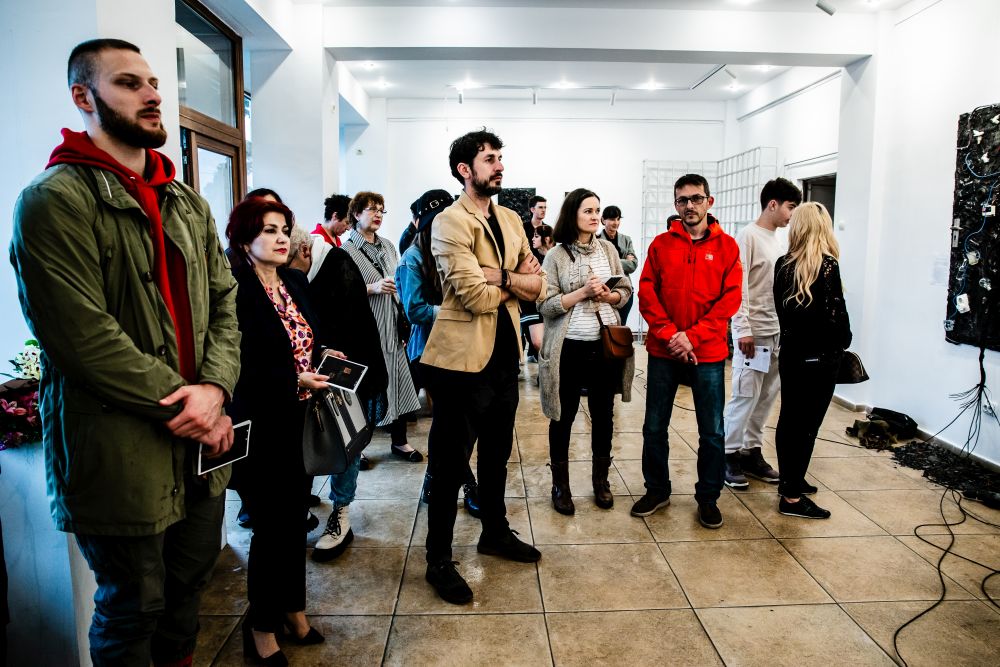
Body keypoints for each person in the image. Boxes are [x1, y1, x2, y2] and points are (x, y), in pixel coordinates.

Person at [9, 39, 241, 666]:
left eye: (153, 82)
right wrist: (190, 404)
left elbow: (226, 301)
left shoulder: (185, 201)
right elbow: (81, 337)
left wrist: (215, 389)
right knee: (133, 607)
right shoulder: (54, 199)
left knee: (189, 591)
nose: (153, 95)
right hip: (117, 445)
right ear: (83, 97)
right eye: (129, 83)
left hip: (201, 441)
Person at [421, 129, 545, 604]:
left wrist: (501, 276)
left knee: (496, 455)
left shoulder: (511, 218)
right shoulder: (449, 222)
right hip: (460, 364)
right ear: (464, 169)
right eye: (489, 159)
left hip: (505, 359)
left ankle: (494, 532)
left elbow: (542, 285)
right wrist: (515, 283)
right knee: (450, 465)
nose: (499, 166)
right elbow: (473, 296)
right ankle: (438, 559)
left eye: (499, 158)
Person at [226, 198, 333, 664]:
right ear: (244, 239)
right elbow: (236, 365)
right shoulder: (235, 289)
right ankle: (261, 627)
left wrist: (327, 359)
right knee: (271, 529)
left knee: (294, 523)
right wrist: (294, 379)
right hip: (262, 424)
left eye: (284, 229)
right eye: (269, 230)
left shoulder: (293, 280)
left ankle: (293, 609)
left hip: (300, 420)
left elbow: (309, 338)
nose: (282, 237)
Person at [630, 174, 742, 529]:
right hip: (664, 351)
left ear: (710, 201)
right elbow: (647, 293)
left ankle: (708, 498)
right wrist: (670, 335)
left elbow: (730, 300)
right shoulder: (661, 245)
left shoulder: (727, 247)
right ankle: (657, 489)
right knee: (654, 427)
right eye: (682, 200)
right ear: (675, 204)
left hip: (707, 353)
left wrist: (692, 337)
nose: (689, 205)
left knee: (712, 431)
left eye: (696, 198)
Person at [285, 225, 390, 562]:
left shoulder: (338, 266)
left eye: (288, 262)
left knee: (347, 444)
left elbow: (352, 330)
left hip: (348, 373)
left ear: (304, 251)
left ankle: (341, 513)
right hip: (311, 376)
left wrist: (326, 355)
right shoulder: (292, 272)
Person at [538, 189, 634, 514]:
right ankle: (560, 485)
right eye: (588, 211)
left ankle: (601, 481)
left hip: (603, 346)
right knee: (562, 416)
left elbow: (625, 289)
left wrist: (609, 296)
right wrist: (581, 293)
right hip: (568, 348)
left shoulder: (608, 249)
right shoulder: (556, 256)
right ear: (572, 215)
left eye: (597, 211)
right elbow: (545, 304)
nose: (595, 217)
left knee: (603, 415)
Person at [395, 189, 481, 517]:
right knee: (454, 421)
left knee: (450, 421)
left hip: (461, 347)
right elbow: (415, 310)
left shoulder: (457, 249)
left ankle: (432, 478)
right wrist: (457, 311)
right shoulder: (413, 258)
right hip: (429, 352)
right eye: (437, 221)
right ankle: (468, 484)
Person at [773, 202, 851, 519]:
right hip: (820, 359)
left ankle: (791, 481)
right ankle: (792, 498)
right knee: (806, 427)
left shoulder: (782, 264)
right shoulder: (827, 265)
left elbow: (783, 313)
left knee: (789, 421)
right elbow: (837, 317)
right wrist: (844, 341)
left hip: (791, 355)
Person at [723, 178, 802, 489]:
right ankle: (728, 453)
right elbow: (737, 287)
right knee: (745, 395)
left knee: (767, 397)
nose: (792, 215)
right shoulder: (748, 236)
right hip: (753, 335)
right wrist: (743, 329)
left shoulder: (779, 241)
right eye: (790, 207)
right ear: (773, 204)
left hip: (777, 333)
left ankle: (751, 451)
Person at [342, 191, 424, 462]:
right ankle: (360, 447)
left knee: (398, 382)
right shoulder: (345, 251)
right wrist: (372, 287)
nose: (378, 214)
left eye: (381, 210)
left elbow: (398, 279)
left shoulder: (388, 245)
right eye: (372, 209)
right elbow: (341, 292)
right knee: (366, 388)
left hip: (392, 325)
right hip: (366, 328)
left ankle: (399, 442)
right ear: (356, 214)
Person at [597, 206, 638, 325]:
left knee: (621, 327)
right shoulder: (596, 240)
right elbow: (599, 264)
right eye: (611, 219)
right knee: (606, 328)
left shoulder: (626, 240)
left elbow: (633, 265)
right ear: (603, 220)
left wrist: (611, 261)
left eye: (618, 219)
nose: (616, 223)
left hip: (626, 291)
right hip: (605, 291)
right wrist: (624, 260)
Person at [520, 195, 548, 360]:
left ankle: (535, 353)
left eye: (545, 207)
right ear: (532, 209)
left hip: (544, 279)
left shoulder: (548, 230)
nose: (543, 210)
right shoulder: (522, 228)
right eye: (540, 207)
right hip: (525, 279)